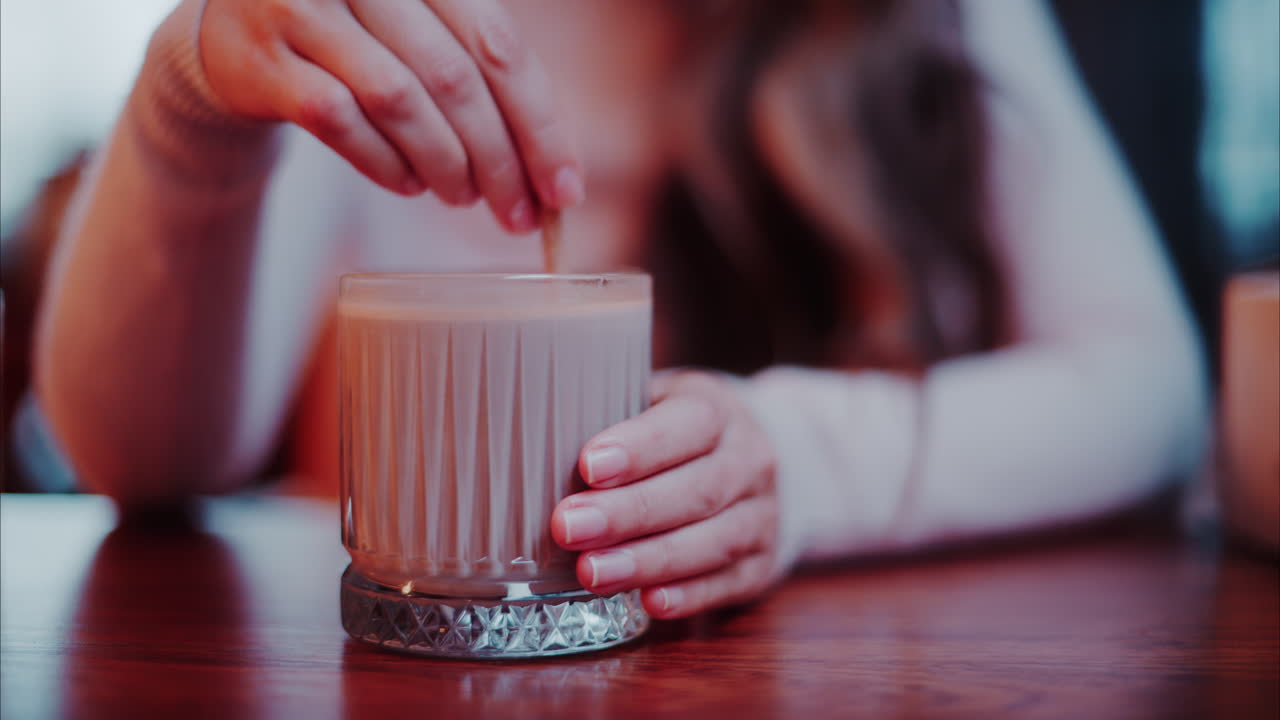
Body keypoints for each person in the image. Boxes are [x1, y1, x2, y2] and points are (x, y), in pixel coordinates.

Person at [34, 0, 1207, 619]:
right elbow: (141, 458)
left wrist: (800, 461)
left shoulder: (924, 14)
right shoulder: (361, 22)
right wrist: (190, 91)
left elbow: (1148, 385)